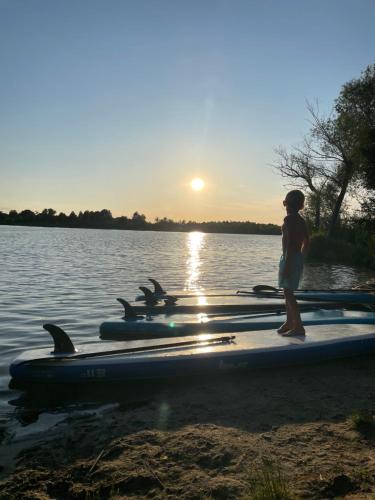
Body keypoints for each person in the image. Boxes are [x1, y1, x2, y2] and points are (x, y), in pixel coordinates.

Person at [277, 190, 309, 336]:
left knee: (288, 293)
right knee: (287, 291)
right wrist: (301, 258)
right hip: (296, 258)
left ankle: (299, 327)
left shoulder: (288, 219)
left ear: (287, 204)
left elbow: (289, 243)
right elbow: (307, 241)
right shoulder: (301, 221)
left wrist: (288, 265)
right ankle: (290, 322)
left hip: (289, 258)